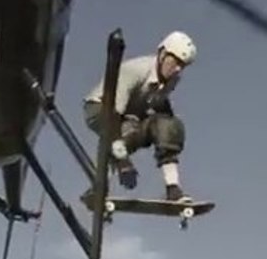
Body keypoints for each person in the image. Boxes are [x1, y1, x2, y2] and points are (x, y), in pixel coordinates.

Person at [81, 31, 197, 203]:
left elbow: (161, 105)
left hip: (130, 113)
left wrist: (167, 132)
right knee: (125, 131)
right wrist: (123, 162)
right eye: (176, 62)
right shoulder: (134, 70)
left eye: (183, 65)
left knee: (169, 126)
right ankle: (99, 186)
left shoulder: (172, 80)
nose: (178, 69)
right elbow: (112, 115)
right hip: (100, 108)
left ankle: (173, 189)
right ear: (163, 54)